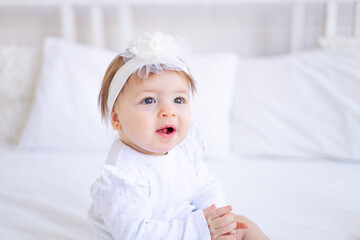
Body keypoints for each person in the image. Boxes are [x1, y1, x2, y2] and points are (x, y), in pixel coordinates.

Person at [88, 32, 269, 240]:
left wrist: (219, 218)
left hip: (188, 226)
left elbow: (203, 186)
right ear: (116, 119)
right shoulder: (123, 176)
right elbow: (137, 234)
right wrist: (200, 229)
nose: (168, 111)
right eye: (149, 100)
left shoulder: (182, 150)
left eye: (179, 100)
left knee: (245, 227)